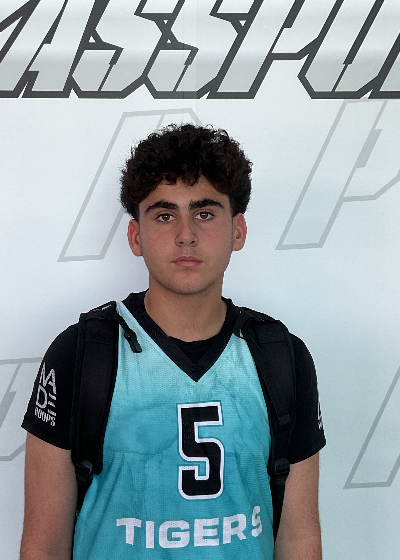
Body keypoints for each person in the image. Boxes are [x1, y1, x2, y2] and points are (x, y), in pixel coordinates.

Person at [20, 123, 325, 560]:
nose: (186, 235)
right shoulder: (80, 354)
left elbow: (299, 538)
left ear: (238, 230)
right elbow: (43, 545)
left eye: (205, 213)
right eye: (164, 215)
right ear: (135, 236)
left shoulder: (281, 357)